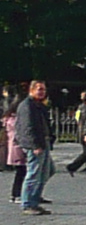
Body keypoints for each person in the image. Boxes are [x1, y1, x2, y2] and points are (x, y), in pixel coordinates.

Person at [15, 81, 54, 214]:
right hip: (35, 145)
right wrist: (34, 145)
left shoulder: (39, 105)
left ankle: (35, 199)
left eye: (43, 89)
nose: (42, 92)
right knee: (33, 174)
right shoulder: (27, 106)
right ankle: (27, 203)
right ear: (31, 90)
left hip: (44, 142)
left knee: (47, 171)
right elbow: (27, 128)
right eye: (39, 89)